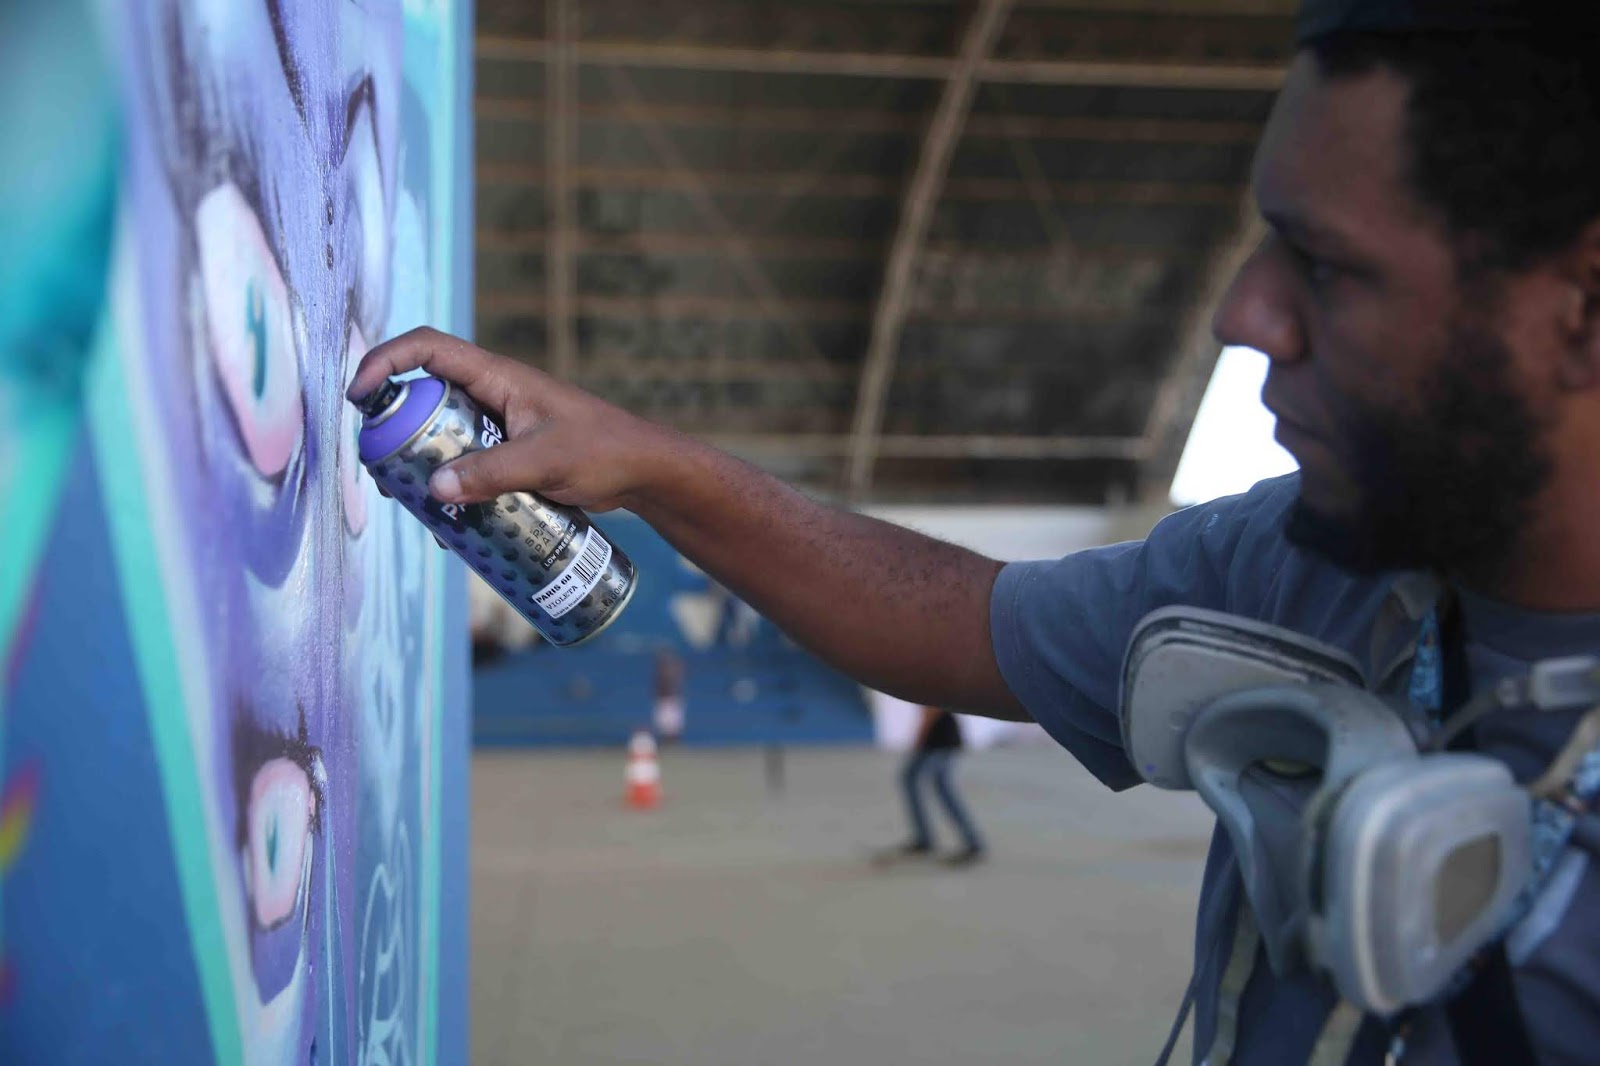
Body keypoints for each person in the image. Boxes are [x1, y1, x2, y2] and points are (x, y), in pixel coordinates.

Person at [351, 3, 1600, 1061]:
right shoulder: (1296, 563)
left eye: (1325, 265)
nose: (1239, 312)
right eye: (1263, 236)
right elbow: (964, 622)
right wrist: (656, 465)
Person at [876, 706, 985, 868]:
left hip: (938, 740)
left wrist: (918, 740)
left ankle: (966, 841)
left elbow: (931, 710)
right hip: (941, 739)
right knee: (934, 785)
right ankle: (931, 838)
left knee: (922, 782)